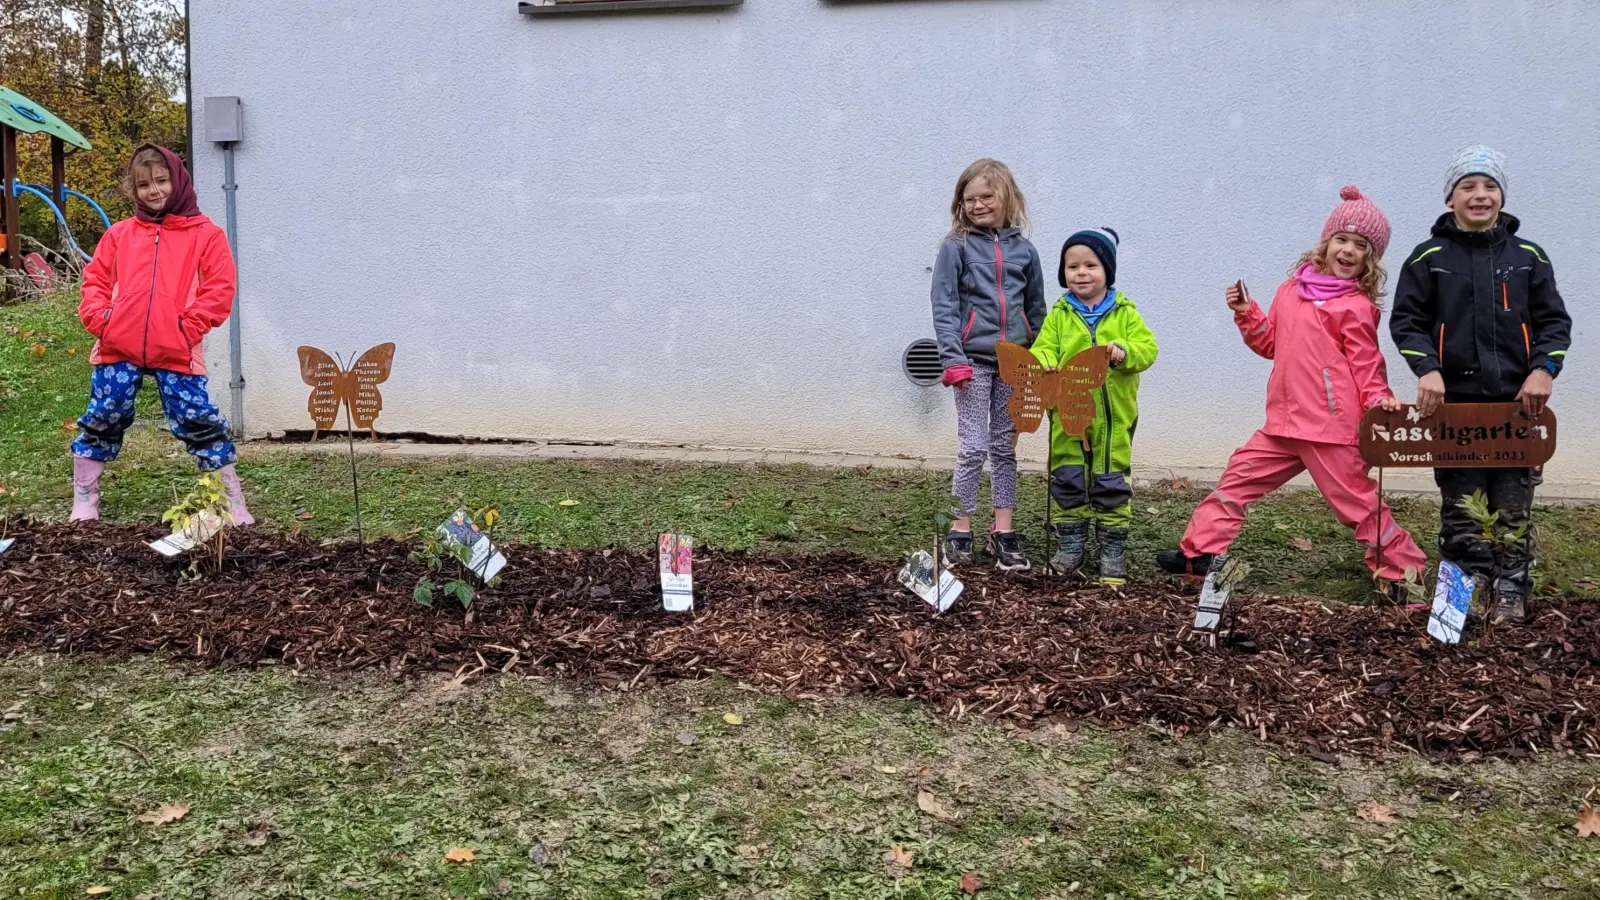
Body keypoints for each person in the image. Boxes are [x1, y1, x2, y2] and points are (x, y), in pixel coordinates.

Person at [1157, 187, 1427, 597]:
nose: (1349, 250)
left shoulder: (1355, 307)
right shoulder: (1290, 291)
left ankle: (1403, 571)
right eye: (1342, 239)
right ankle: (1201, 554)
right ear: (1326, 242)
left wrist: (1378, 401)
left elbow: (1367, 364)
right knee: (1237, 478)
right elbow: (1270, 344)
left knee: (1356, 504)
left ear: (1370, 261)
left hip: (1330, 429)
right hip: (1283, 423)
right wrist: (1246, 313)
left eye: (1361, 246)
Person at [1390, 146, 1571, 624]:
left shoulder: (1528, 257)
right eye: (1468, 186)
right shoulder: (1427, 258)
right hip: (1457, 412)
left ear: (1502, 197)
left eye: (1489, 185)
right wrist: (1427, 368)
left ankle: (1509, 593)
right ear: (1451, 198)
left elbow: (1554, 323)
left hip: (1518, 409)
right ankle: (1458, 603)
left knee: (1513, 509)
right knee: (1462, 509)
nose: (1480, 195)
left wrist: (1542, 371)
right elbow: (1407, 322)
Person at [69, 144, 253, 525]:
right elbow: (96, 279)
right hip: (117, 347)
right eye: (144, 185)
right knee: (104, 414)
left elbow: (219, 289)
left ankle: (231, 500)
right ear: (133, 190)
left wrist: (188, 327)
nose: (154, 191)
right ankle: (85, 496)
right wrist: (101, 320)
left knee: (198, 418)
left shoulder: (207, 234)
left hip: (177, 349)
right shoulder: (120, 234)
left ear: (178, 180)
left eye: (161, 181)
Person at [930, 159, 1047, 570]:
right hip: (972, 363)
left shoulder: (1025, 251)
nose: (978, 205)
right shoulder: (955, 247)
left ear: (1006, 197)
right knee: (973, 446)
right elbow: (944, 306)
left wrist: (1040, 360)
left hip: (1014, 365)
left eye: (987, 196)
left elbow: (1037, 311)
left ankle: (1003, 530)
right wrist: (952, 359)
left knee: (1003, 447)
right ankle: (960, 528)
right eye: (970, 199)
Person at [1029, 228, 1157, 583]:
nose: (1081, 273)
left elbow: (1148, 350)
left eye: (1091, 265)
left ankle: (1112, 551)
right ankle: (1071, 546)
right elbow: (1042, 348)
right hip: (1067, 414)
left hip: (1113, 419)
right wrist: (1044, 361)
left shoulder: (1125, 314)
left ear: (1107, 271)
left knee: (1110, 479)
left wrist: (1124, 352)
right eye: (1072, 267)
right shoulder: (1058, 316)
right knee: (1068, 476)